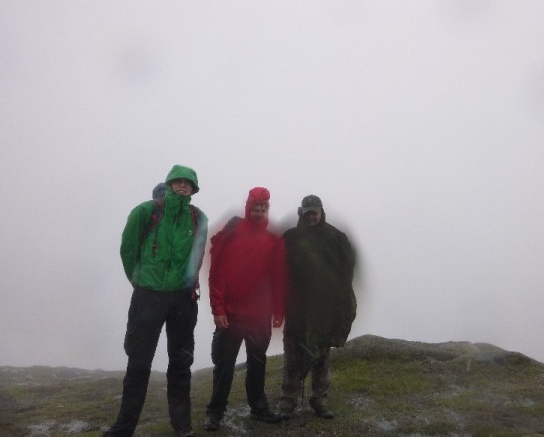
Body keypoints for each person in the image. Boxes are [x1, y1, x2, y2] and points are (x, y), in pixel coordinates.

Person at [105, 165, 208, 437]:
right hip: (148, 296)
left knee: (181, 363)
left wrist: (189, 286)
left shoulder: (199, 218)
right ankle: (124, 428)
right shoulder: (145, 211)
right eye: (178, 181)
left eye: (188, 182)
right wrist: (140, 281)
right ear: (170, 183)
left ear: (194, 188)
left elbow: (197, 257)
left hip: (183, 299)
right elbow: (128, 250)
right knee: (139, 363)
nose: (183, 185)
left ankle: (182, 427)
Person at [204, 187, 285, 431]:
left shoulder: (272, 240)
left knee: (257, 364)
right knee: (224, 365)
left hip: (259, 315)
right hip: (231, 313)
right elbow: (216, 273)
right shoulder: (231, 233)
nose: (259, 212)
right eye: (255, 208)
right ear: (248, 208)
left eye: (263, 208)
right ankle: (215, 411)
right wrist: (218, 309)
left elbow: (278, 278)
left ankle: (259, 408)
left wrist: (279, 311)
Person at [279, 194, 356, 420]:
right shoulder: (289, 238)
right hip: (296, 308)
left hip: (324, 309)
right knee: (293, 354)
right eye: (307, 212)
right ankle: (288, 400)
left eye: (314, 211)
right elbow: (279, 272)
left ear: (321, 212)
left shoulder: (337, 238)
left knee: (321, 355)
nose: (311, 215)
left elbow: (346, 273)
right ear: (301, 213)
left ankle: (319, 399)